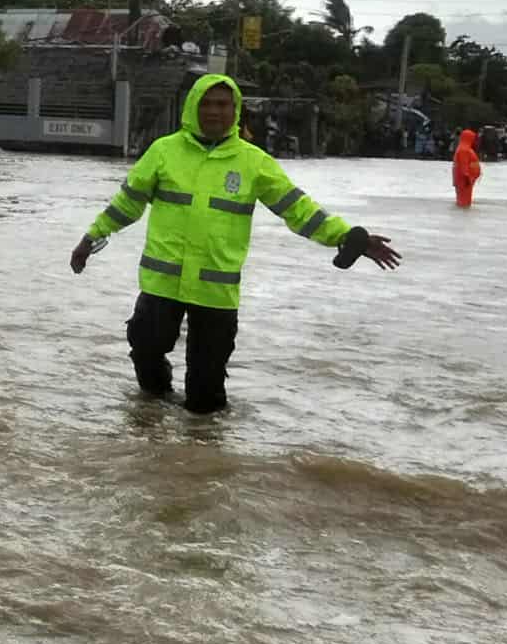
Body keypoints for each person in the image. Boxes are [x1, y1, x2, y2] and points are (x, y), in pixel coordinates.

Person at [70, 73, 401, 414]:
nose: (215, 112)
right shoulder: (163, 152)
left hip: (216, 292)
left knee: (205, 397)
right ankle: (152, 426)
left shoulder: (253, 162)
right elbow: (127, 204)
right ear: (193, 107)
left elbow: (299, 210)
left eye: (223, 104)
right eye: (207, 104)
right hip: (161, 285)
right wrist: (91, 237)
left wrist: (346, 237)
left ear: (236, 109)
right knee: (145, 353)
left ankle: (203, 456)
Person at [452, 128, 481, 208]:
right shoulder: (464, 149)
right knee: (464, 203)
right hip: (464, 181)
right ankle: (462, 218)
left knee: (464, 202)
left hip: (465, 180)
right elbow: (463, 164)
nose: (474, 140)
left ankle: (462, 216)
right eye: (473, 138)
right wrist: (467, 176)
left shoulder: (464, 148)